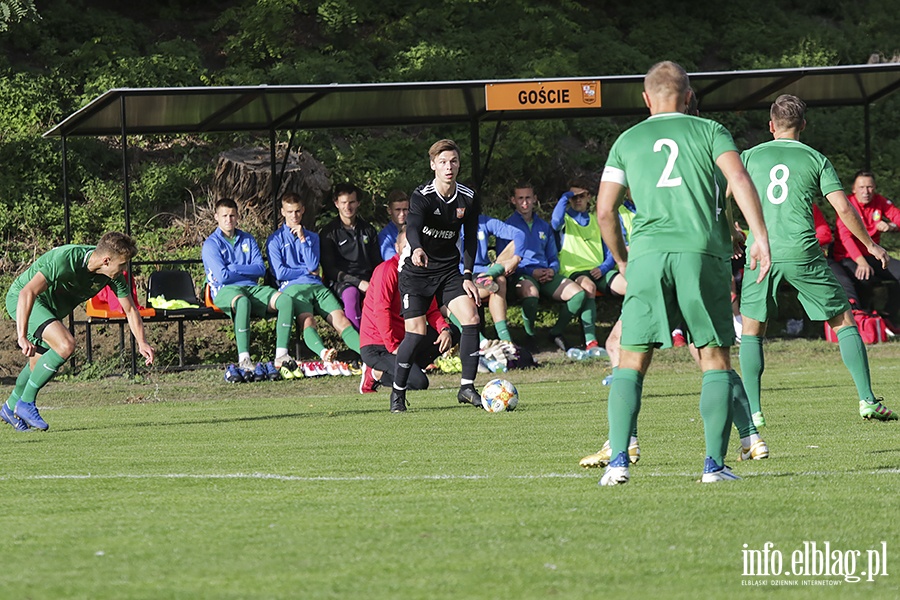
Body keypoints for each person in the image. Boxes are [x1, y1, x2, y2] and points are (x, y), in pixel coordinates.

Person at [593, 60, 771, 486]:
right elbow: (739, 178)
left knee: (631, 361)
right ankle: (714, 466)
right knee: (713, 359)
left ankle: (618, 462)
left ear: (645, 98)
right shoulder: (710, 131)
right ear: (689, 97)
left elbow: (604, 211)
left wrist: (622, 261)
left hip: (649, 255)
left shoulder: (627, 140)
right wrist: (760, 235)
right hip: (700, 253)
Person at [738, 95, 896, 424]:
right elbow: (843, 208)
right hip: (801, 250)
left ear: (771, 126)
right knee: (844, 321)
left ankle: (754, 412)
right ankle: (867, 400)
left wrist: (732, 234)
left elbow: (723, 198)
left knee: (752, 330)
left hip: (760, 250)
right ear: (804, 126)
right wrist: (871, 244)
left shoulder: (748, 156)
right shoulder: (815, 158)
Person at [2, 232, 156, 431]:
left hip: (48, 310)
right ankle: (26, 403)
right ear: (106, 260)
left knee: (36, 363)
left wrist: (142, 342)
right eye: (122, 264)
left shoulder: (112, 276)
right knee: (66, 344)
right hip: (25, 302)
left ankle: (10, 406)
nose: (124, 269)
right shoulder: (66, 260)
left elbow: (130, 310)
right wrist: (21, 336)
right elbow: (27, 292)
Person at [389, 138, 483, 413]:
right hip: (416, 271)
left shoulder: (467, 197)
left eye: (453, 161)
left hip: (448, 271)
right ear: (433, 165)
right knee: (416, 333)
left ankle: (466, 387)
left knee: (471, 317)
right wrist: (416, 248)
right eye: (442, 162)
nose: (449, 166)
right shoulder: (423, 195)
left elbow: (471, 239)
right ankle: (397, 394)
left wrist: (467, 274)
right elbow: (414, 226)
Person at [202, 198, 297, 381]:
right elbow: (222, 277)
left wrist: (235, 268)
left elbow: (260, 269)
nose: (229, 219)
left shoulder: (247, 238)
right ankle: (244, 359)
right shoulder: (211, 244)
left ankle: (281, 356)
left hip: (252, 287)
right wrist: (244, 271)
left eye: (232, 215)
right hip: (224, 291)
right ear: (216, 217)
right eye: (224, 216)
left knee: (285, 300)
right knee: (242, 302)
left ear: (238, 217)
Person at [266, 193, 362, 365]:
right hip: (293, 288)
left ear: (302, 210)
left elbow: (313, 266)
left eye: (297, 211)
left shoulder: (312, 236)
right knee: (308, 320)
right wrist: (304, 272)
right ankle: (323, 352)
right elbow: (279, 273)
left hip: (317, 286)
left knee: (341, 319)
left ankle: (369, 355)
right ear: (283, 212)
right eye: (289, 212)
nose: (294, 216)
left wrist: (303, 239)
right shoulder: (275, 240)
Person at [359, 230, 459, 393]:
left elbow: (431, 310)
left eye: (413, 247)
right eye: (405, 247)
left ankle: (410, 367)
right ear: (397, 247)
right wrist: (393, 347)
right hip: (379, 345)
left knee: (453, 331)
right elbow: (381, 310)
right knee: (418, 383)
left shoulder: (421, 274)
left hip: (405, 340)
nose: (409, 251)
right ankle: (375, 374)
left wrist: (444, 329)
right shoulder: (386, 270)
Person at [502, 183, 588, 352]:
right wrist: (529, 271)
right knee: (531, 291)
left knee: (578, 294)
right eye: (521, 198)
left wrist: (552, 270)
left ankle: (555, 332)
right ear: (513, 201)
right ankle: (530, 336)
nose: (525, 202)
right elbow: (503, 260)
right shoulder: (507, 226)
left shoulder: (543, 226)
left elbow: (553, 257)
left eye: (528, 198)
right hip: (521, 275)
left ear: (535, 199)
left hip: (546, 275)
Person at [551, 176, 626, 351]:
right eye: (573, 197)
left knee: (631, 287)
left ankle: (628, 332)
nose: (577, 200)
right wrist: (565, 196)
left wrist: (604, 268)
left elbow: (611, 251)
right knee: (589, 288)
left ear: (589, 197)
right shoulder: (565, 220)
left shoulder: (596, 220)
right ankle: (590, 341)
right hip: (574, 270)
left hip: (599, 270)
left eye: (581, 196)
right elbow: (554, 222)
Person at [830, 171, 900, 321]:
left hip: (872, 255)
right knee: (865, 277)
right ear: (854, 189)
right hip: (847, 257)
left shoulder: (880, 202)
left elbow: (897, 217)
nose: (866, 191)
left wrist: (891, 226)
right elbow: (845, 237)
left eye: (869, 187)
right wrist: (860, 261)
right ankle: (862, 317)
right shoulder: (846, 204)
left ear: (874, 188)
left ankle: (889, 317)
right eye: (861, 187)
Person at [320, 183, 382, 331]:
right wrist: (358, 283)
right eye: (343, 203)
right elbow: (330, 270)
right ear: (336, 204)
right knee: (351, 294)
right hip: (342, 282)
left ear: (358, 203)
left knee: (382, 294)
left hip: (368, 280)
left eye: (352, 202)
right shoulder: (329, 233)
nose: (348, 207)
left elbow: (377, 263)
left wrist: (376, 283)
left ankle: (383, 340)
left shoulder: (369, 229)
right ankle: (360, 344)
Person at [460, 214, 525, 346]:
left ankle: (488, 275)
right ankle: (506, 339)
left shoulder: (484, 221)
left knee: (499, 280)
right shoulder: (452, 224)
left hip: (485, 272)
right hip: (463, 275)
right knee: (499, 282)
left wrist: (516, 258)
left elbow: (519, 234)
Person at [377, 189, 409, 260]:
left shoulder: (415, 229)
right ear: (389, 210)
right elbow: (390, 260)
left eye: (405, 209)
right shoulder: (385, 236)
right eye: (398, 210)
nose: (402, 214)